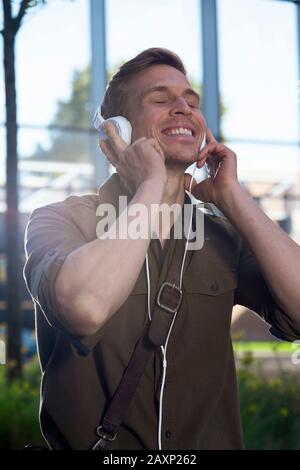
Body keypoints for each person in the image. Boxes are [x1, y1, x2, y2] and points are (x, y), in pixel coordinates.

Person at [23, 47, 300, 450]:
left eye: (191, 101)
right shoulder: (60, 220)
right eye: (161, 99)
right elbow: (83, 307)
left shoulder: (223, 233)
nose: (184, 108)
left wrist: (233, 196)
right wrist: (150, 186)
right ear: (116, 130)